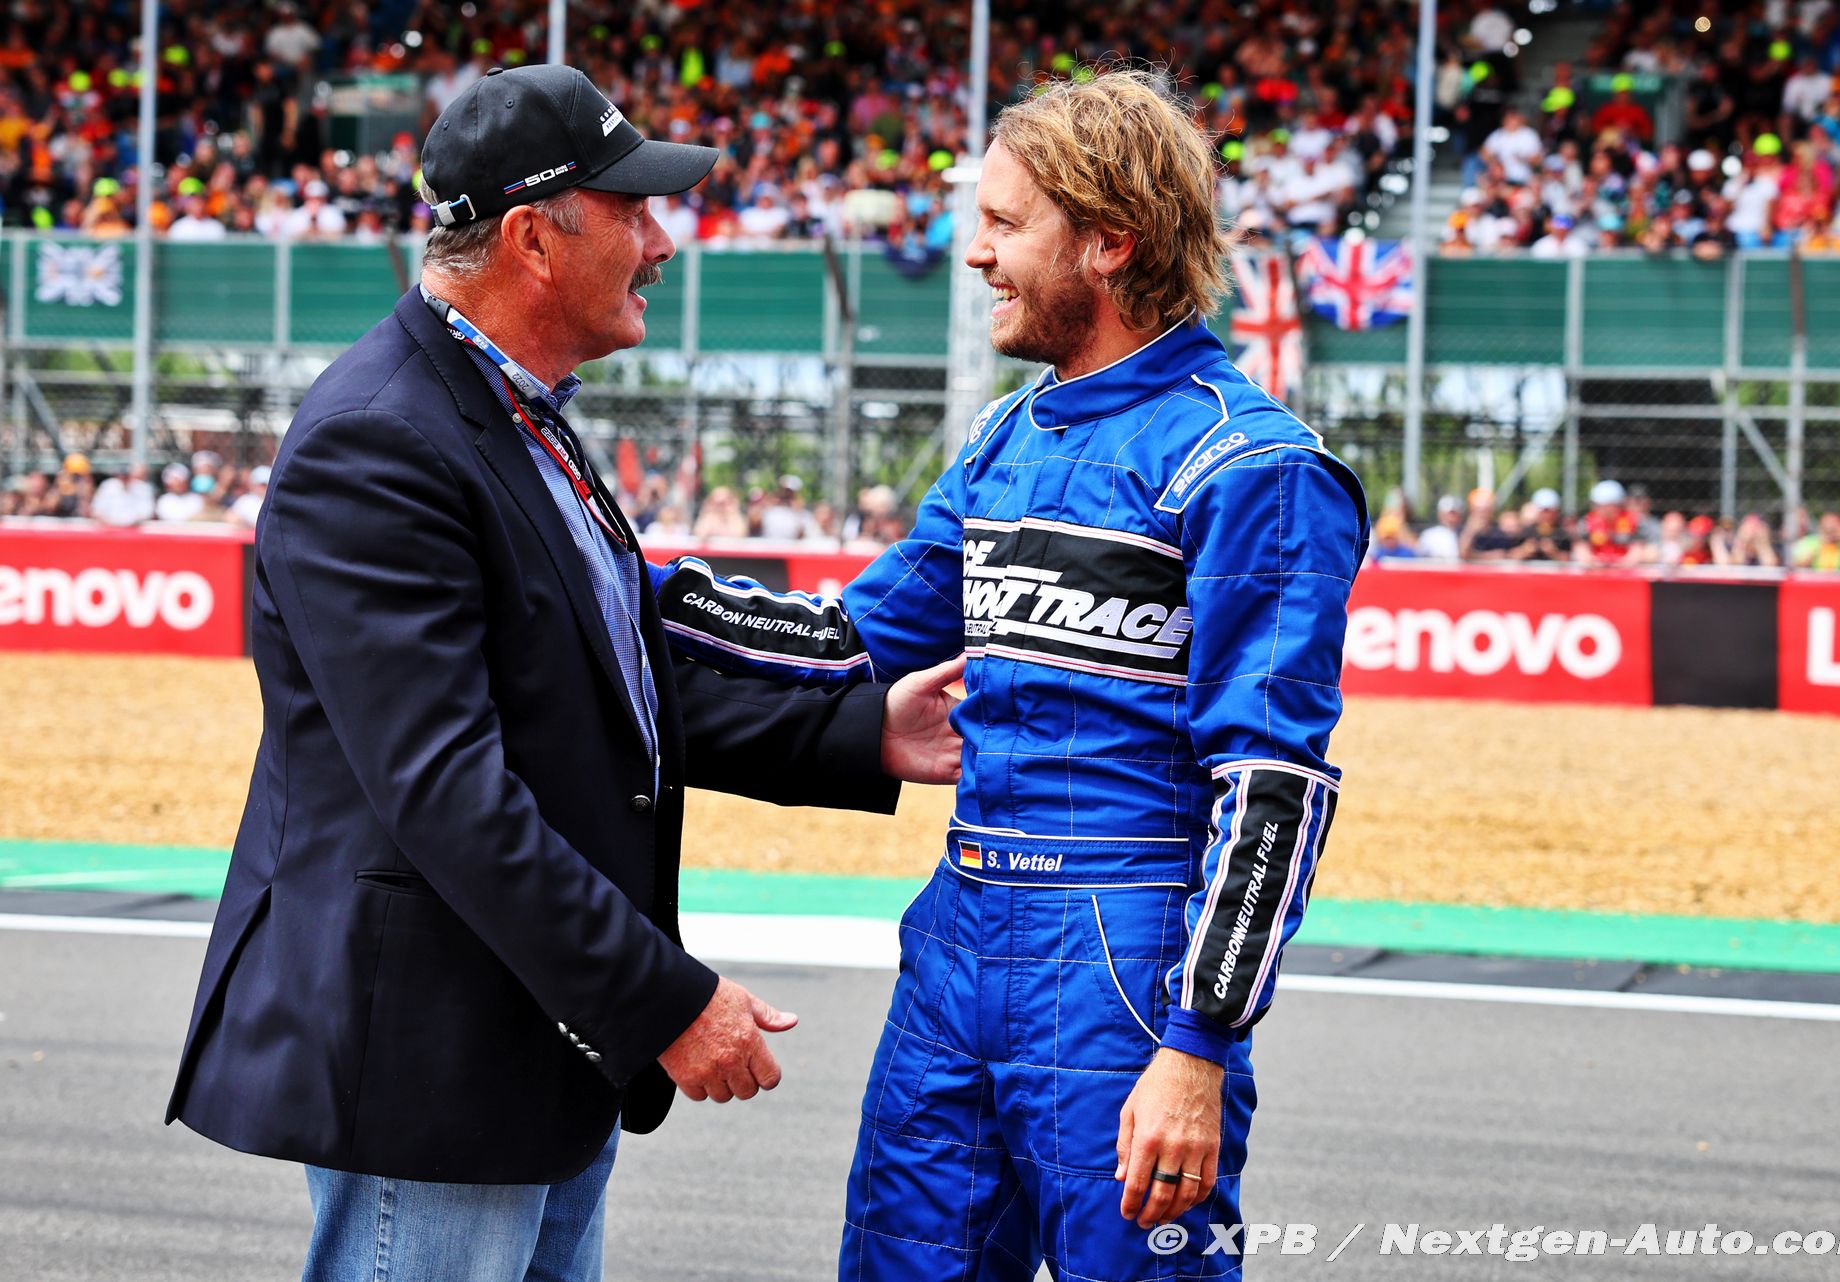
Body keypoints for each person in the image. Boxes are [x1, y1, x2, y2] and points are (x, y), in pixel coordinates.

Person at [164, 64, 964, 1282]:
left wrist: (858, 734)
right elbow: (448, 794)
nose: (663, 245)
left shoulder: (512, 413)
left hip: (533, 1047)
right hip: (435, 1070)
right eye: (634, 211)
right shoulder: (380, 439)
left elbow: (599, 693)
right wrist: (665, 1001)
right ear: (535, 239)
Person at [652, 69, 1366, 1282]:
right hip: (957, 933)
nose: (972, 252)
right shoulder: (1004, 437)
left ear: (1108, 241)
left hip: (1126, 962)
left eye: (1001, 222)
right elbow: (846, 639)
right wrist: (629, 582)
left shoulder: (1251, 465)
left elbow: (1273, 786)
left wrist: (1199, 1043)